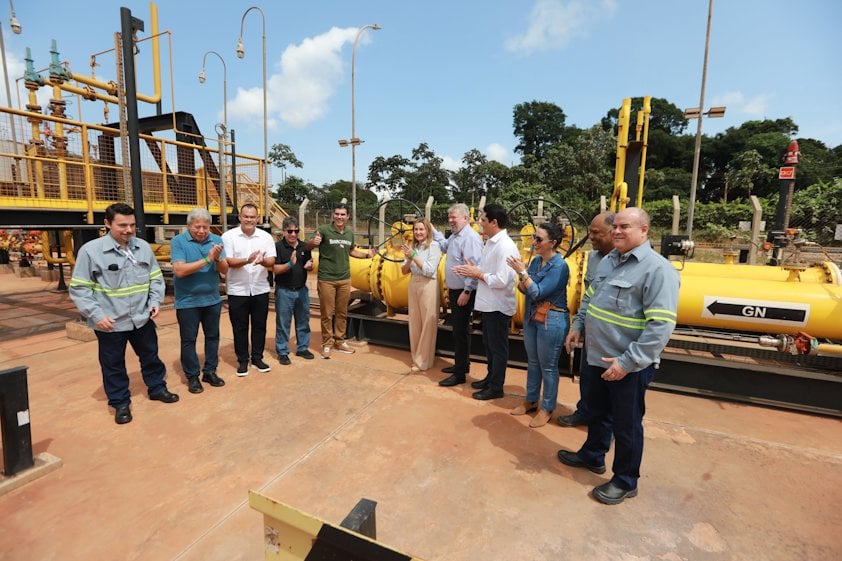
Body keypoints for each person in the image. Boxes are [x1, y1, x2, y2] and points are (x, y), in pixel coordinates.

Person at [557, 207, 679, 505]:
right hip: (596, 356)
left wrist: (627, 362)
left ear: (644, 231)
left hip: (627, 365)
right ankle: (592, 455)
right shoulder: (608, 261)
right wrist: (578, 325)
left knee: (626, 425)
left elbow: (660, 327)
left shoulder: (657, 270)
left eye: (626, 227)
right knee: (597, 412)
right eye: (616, 227)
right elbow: (589, 298)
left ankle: (625, 480)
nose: (617, 231)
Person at [69, 203, 179, 425]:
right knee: (113, 364)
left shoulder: (143, 247)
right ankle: (120, 403)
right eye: (122, 225)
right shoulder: (91, 251)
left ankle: (157, 388)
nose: (128, 230)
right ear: (107, 224)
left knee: (150, 356)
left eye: (132, 225)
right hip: (111, 322)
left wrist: (155, 300)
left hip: (141, 317)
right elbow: (80, 288)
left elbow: (155, 277)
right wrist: (96, 315)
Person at [506, 222, 570, 427]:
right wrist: (523, 275)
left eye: (539, 239)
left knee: (548, 366)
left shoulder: (560, 267)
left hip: (551, 320)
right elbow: (524, 289)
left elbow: (537, 292)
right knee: (533, 362)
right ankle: (531, 400)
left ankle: (547, 407)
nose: (534, 242)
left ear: (553, 243)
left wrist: (523, 275)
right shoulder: (536, 262)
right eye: (534, 237)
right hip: (534, 316)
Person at [453, 203, 519, 400]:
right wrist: (474, 268)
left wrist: (478, 273)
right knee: (489, 345)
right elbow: (486, 269)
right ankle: (491, 378)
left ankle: (496, 387)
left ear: (494, 222)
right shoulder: (491, 242)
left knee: (498, 348)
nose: (479, 223)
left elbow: (502, 280)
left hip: (498, 306)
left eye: (483, 219)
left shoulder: (505, 246)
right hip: (488, 304)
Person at [558, 211, 615, 427]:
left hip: (614, 337)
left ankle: (605, 428)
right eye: (589, 232)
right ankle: (585, 412)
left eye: (596, 233)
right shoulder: (594, 258)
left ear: (612, 232)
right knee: (588, 376)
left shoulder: (628, 262)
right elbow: (589, 294)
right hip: (593, 332)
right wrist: (579, 324)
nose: (590, 237)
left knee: (610, 387)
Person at [171, 208, 229, 394]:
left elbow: (224, 270)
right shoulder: (178, 242)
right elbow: (179, 270)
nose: (202, 231)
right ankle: (192, 376)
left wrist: (218, 258)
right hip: (188, 302)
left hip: (212, 300)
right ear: (189, 226)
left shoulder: (217, 240)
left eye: (205, 227)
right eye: (197, 227)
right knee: (189, 340)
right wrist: (208, 258)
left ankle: (210, 371)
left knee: (212, 337)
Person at [307, 203, 373, 359]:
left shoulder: (349, 233)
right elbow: (309, 245)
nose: (339, 217)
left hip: (344, 279)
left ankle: (339, 341)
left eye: (343, 214)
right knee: (327, 314)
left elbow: (351, 251)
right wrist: (313, 243)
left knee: (342, 312)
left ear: (347, 217)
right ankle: (327, 344)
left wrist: (367, 255)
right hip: (326, 279)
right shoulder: (324, 230)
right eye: (337, 214)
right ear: (333, 215)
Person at [221, 203, 276, 376]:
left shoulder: (266, 237)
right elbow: (229, 261)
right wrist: (247, 260)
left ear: (257, 218)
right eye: (246, 216)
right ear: (240, 217)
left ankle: (257, 358)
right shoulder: (228, 237)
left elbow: (272, 260)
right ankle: (243, 360)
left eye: (253, 217)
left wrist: (262, 262)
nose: (249, 220)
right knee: (240, 327)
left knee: (260, 326)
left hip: (260, 289)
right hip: (238, 290)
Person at [432, 203, 483, 387]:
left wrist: (467, 291)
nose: (451, 220)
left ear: (465, 218)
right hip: (456, 290)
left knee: (460, 331)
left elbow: (474, 266)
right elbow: (445, 247)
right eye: (450, 217)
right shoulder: (455, 236)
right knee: (459, 331)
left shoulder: (470, 238)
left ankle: (460, 373)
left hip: (463, 291)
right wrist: (434, 232)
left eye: (454, 217)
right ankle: (462, 364)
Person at [400, 217, 442, 372]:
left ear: (428, 231)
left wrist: (413, 256)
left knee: (427, 324)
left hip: (428, 284)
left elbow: (430, 270)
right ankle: (416, 356)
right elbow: (403, 271)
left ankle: (423, 361)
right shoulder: (412, 246)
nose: (418, 232)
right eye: (416, 229)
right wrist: (409, 259)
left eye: (421, 229)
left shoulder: (434, 246)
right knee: (415, 321)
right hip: (414, 283)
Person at [272, 216, 315, 365]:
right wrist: (290, 264)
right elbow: (275, 270)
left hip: (302, 290)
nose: (293, 234)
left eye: (296, 231)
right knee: (284, 323)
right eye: (289, 231)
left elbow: (309, 264)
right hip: (284, 291)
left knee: (303, 321)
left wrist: (310, 266)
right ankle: (282, 351)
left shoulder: (304, 247)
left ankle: (302, 347)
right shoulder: (278, 247)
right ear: (284, 232)